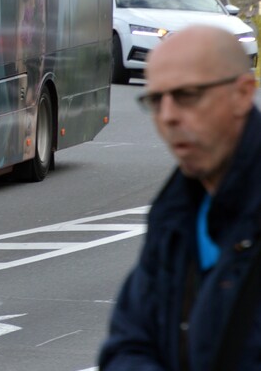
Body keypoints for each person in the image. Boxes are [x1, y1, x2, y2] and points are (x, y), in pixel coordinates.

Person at [98, 25, 261, 370]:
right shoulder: (173, 215)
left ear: (243, 93)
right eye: (156, 100)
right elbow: (128, 344)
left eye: (187, 95)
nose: (169, 116)